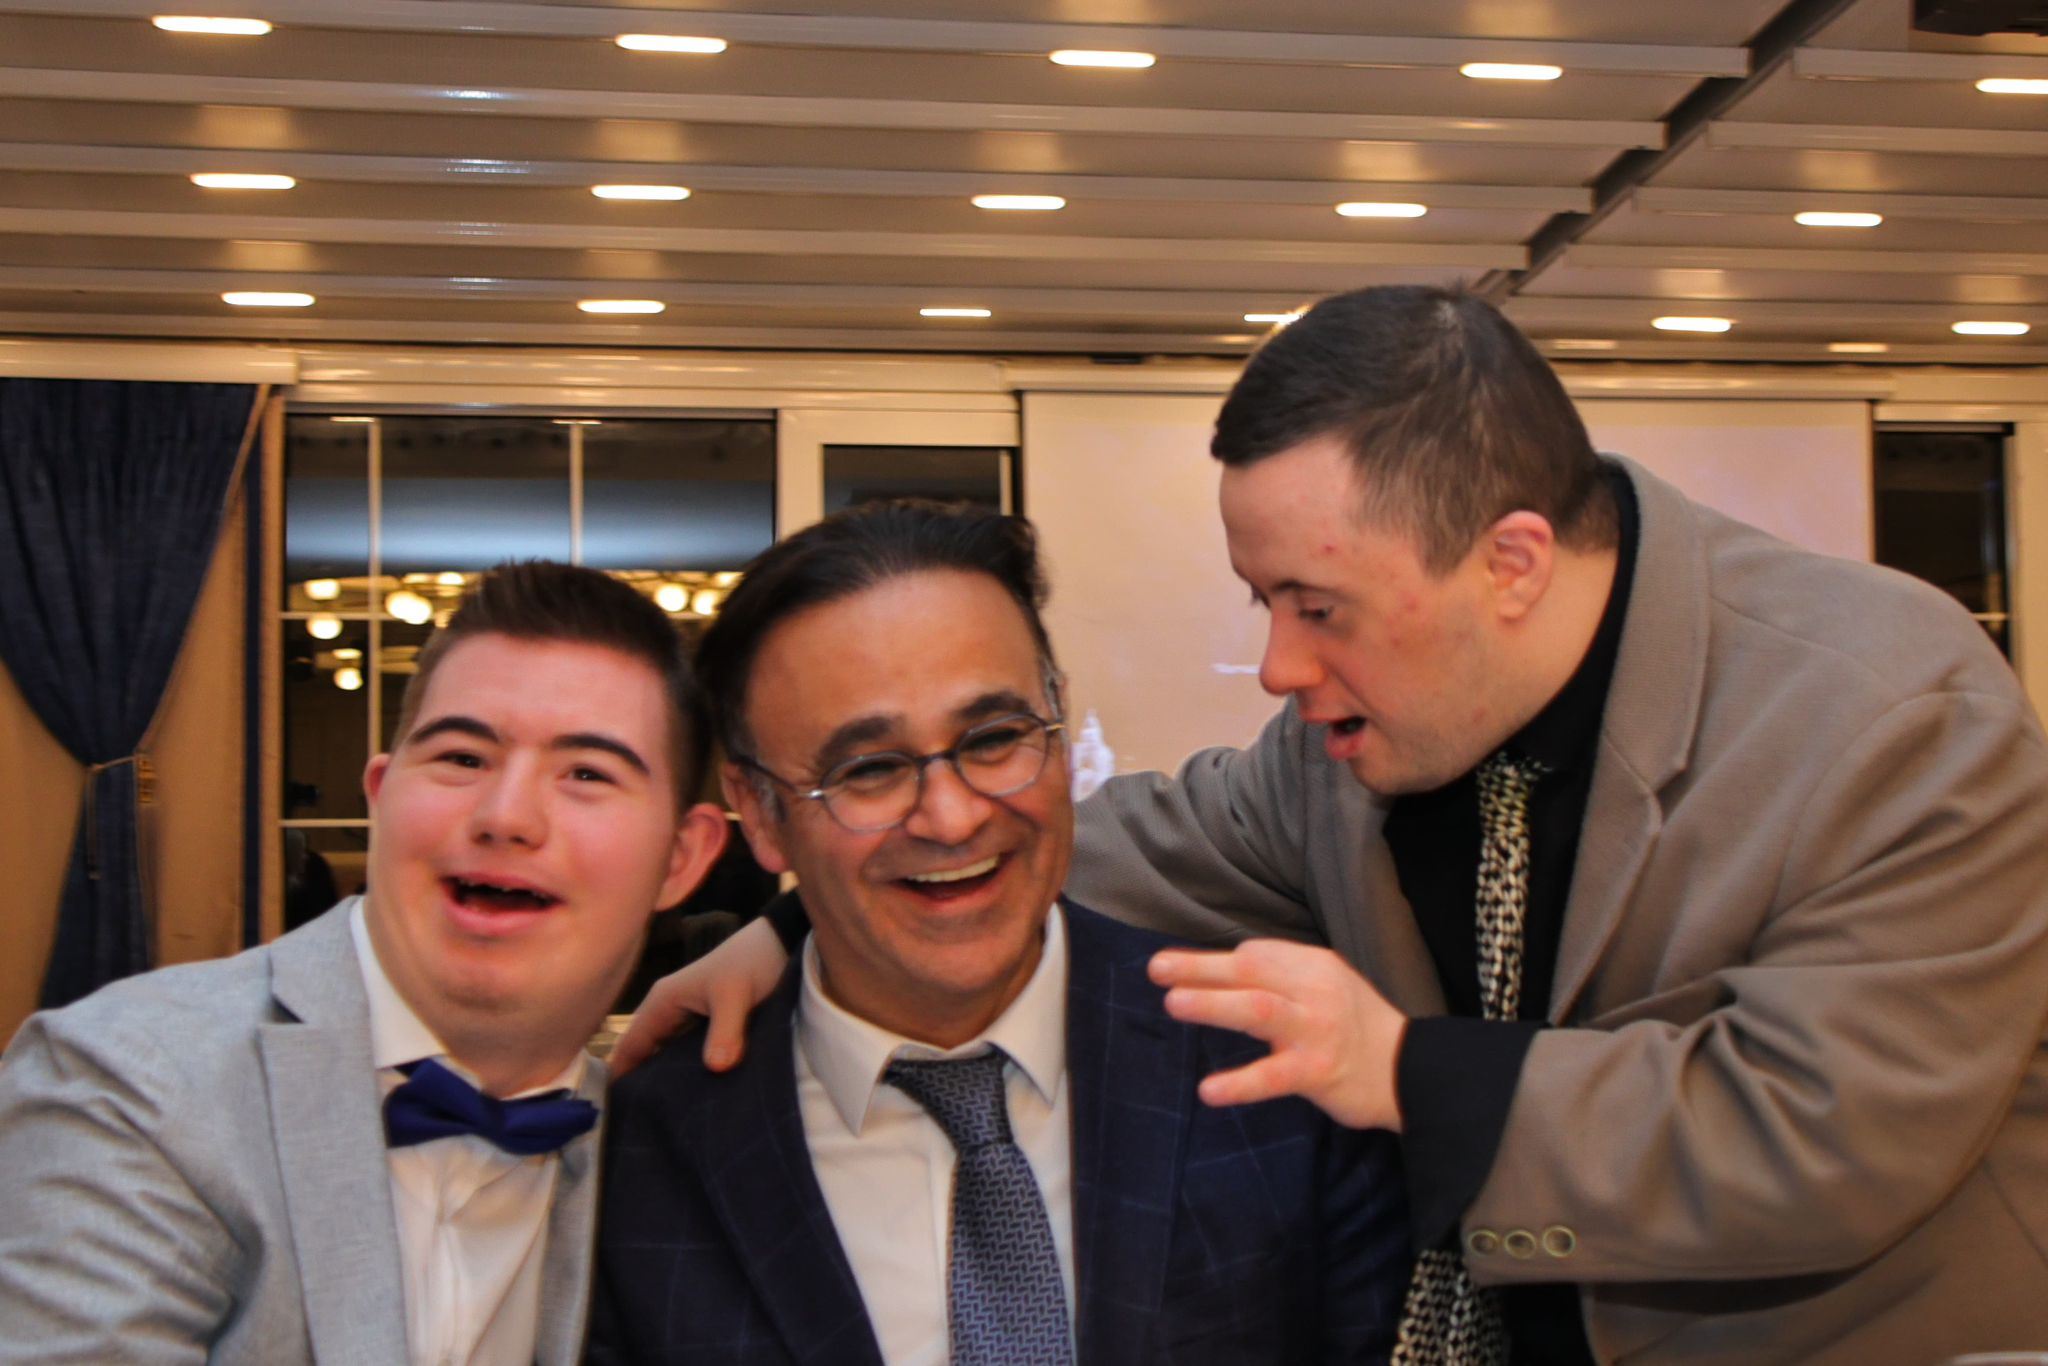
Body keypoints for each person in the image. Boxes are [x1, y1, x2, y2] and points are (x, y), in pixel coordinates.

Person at [617, 285, 2048, 1364]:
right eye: (1264, 603)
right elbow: (1102, 842)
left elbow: (1821, 1136)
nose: (1280, 668)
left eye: (1318, 606)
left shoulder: (1887, 710)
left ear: (1510, 562)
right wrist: (800, 920)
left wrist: (1403, 1071)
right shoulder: (1349, 745)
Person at [589, 500, 1410, 1365]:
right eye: (869, 770)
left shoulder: (1273, 1080)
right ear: (758, 811)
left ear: (1058, 723)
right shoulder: (642, 1160)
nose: (951, 817)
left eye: (993, 739)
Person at [0, 561, 728, 1365]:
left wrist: (782, 945)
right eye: (462, 758)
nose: (506, 816)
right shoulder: (133, 1081)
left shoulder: (670, 1144)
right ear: (381, 797)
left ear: (681, 858)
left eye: (587, 773)